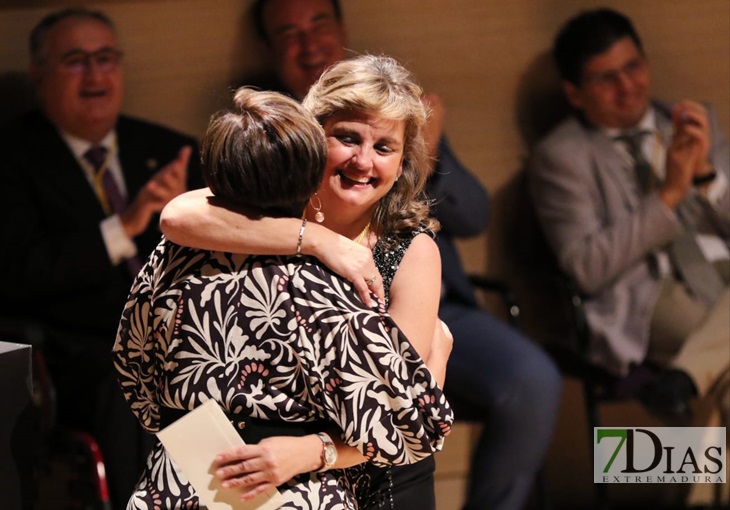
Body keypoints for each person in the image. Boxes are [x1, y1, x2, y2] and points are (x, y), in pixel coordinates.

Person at [233, 1, 563, 509]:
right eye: (345, 137)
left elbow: (474, 215)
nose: (364, 158)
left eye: (319, 23)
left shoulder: (399, 124)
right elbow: (185, 217)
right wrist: (317, 240)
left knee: (529, 380)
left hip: (430, 306)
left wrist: (422, 152)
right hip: (291, 398)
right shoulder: (268, 141)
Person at [113, 85, 453, 509]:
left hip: (176, 485)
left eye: (384, 146)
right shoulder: (326, 292)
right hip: (294, 496)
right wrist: (434, 364)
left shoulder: (169, 256)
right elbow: (405, 425)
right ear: (310, 148)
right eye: (348, 138)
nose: (363, 159)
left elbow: (133, 372)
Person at [0, 8, 202, 509]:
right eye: (75, 61)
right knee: (136, 372)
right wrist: (125, 227)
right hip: (77, 350)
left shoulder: (170, 149)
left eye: (106, 58)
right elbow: (17, 274)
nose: (95, 74)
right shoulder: (10, 158)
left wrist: (189, 227)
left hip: (184, 330)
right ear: (39, 74)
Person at [528, 8, 729, 427]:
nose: (627, 87)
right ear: (575, 93)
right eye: (606, 78)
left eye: (632, 68)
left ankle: (687, 376)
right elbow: (586, 268)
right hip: (653, 295)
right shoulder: (561, 157)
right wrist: (669, 195)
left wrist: (708, 176)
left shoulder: (695, 121)